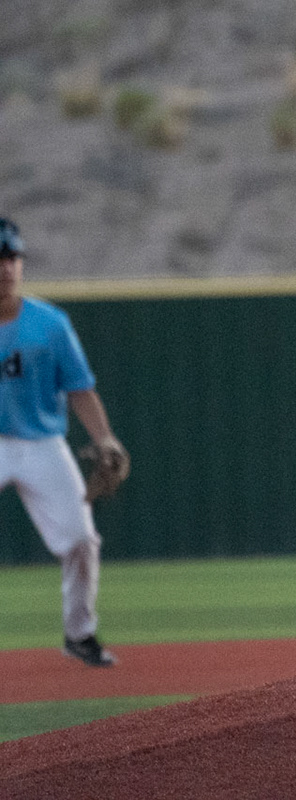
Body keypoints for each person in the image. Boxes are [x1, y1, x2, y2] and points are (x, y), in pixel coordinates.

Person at [0, 217, 126, 667]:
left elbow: (80, 389)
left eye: (12, 257)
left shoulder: (50, 324)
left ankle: (79, 634)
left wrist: (104, 438)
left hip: (41, 444)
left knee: (80, 539)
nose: (6, 267)